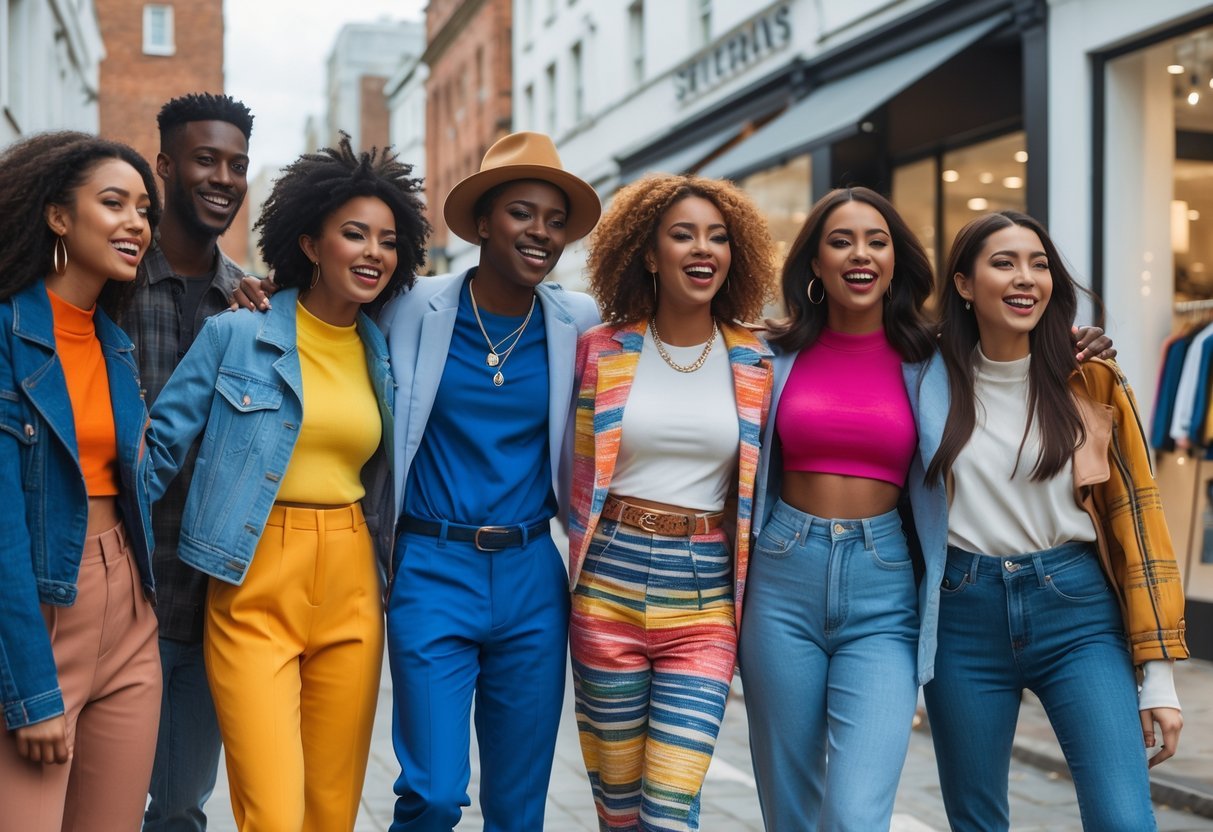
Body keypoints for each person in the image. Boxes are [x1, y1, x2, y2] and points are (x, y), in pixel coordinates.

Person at [738, 188, 1115, 832]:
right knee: (791, 807)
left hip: (885, 586)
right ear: (815, 265)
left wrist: (1072, 343)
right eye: (841, 241)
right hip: (781, 576)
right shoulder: (767, 354)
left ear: (895, 261)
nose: (861, 254)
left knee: (856, 814)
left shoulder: (935, 358)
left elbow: (1012, 350)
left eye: (877, 241)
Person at [145, 135, 428, 831]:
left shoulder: (383, 348)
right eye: (353, 234)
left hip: (353, 580)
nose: (372, 253)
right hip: (251, 573)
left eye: (388, 241)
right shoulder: (236, 334)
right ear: (309, 242)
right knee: (271, 811)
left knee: (330, 811)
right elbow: (154, 454)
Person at [913, 210, 1187, 831]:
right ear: (963, 284)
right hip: (962, 616)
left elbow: (1139, 526)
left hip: (1078, 611)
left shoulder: (1090, 377)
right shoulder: (925, 377)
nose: (1025, 278)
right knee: (977, 820)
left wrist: (1161, 677)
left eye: (1038, 264)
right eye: (1004, 262)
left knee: (1123, 817)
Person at [377, 131, 601, 831]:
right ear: (480, 223)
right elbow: (318, 312)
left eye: (555, 220)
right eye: (521, 213)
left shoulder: (580, 321)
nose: (540, 232)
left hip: (534, 575)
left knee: (517, 804)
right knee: (434, 792)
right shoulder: (409, 306)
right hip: (431, 569)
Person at [568, 173, 776, 831]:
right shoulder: (600, 351)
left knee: (669, 808)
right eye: (682, 234)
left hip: (704, 598)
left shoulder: (757, 360)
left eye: (716, 237)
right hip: (606, 588)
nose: (701, 249)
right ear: (649, 253)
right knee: (619, 813)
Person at [0, 131, 162, 830]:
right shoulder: (7, 335)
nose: (136, 223)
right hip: (38, 605)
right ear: (58, 216)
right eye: (113, 203)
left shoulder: (116, 345)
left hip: (128, 610)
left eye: (144, 210)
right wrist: (30, 688)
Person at [129, 92, 255, 832]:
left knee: (178, 808)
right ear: (166, 166)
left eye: (237, 164)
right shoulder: (107, 286)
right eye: (205, 159)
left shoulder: (251, 307)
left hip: (204, 602)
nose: (223, 177)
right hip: (103, 594)